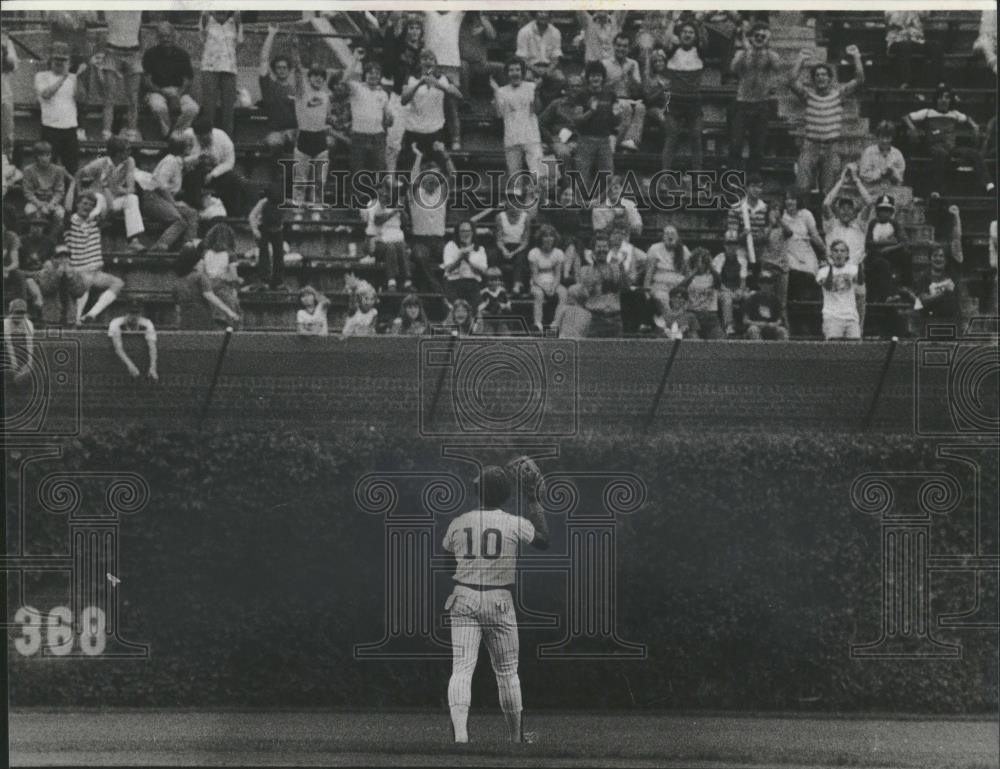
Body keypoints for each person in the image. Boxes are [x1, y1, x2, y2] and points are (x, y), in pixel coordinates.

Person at [443, 460, 549, 745]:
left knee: (462, 668)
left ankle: (461, 739)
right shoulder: (514, 523)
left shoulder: (459, 522)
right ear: (506, 494)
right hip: (499, 599)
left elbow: (446, 562)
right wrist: (533, 500)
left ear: (479, 492)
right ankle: (516, 739)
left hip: (464, 596)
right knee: (507, 672)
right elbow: (543, 541)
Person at [789, 44, 864, 195]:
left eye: (824, 75)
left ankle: (826, 219)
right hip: (811, 146)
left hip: (831, 147)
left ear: (830, 78)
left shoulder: (839, 94)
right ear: (813, 79)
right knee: (802, 187)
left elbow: (860, 80)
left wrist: (856, 57)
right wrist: (801, 59)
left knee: (829, 190)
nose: (820, 77)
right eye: (817, 75)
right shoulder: (807, 95)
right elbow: (791, 81)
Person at [903, 86, 994, 196]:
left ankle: (989, 185)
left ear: (950, 100)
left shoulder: (954, 114)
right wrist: (912, 128)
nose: (943, 100)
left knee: (974, 154)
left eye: (947, 97)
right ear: (936, 99)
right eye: (941, 97)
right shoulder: (927, 112)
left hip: (952, 148)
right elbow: (906, 117)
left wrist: (974, 126)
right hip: (934, 147)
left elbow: (967, 118)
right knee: (941, 154)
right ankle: (937, 190)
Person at [823, 164, 873, 333]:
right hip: (836, 276)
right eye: (842, 208)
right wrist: (841, 181)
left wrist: (856, 180)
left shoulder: (860, 226)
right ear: (838, 210)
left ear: (854, 211)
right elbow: (826, 203)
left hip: (856, 275)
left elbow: (869, 202)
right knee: (833, 319)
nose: (845, 211)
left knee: (858, 321)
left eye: (849, 208)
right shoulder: (831, 225)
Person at [899, 205, 964, 336]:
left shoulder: (952, 272)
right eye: (935, 256)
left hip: (952, 323)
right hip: (931, 324)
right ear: (930, 259)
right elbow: (923, 301)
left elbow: (956, 241)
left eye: (941, 256)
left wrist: (956, 218)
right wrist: (943, 292)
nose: (938, 259)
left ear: (946, 259)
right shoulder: (924, 277)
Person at [76, 135, 147, 252]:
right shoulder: (100, 163)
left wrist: (121, 190)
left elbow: (131, 188)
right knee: (98, 199)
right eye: (126, 150)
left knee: (132, 198)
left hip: (116, 198)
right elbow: (79, 175)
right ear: (117, 153)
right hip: (100, 198)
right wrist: (79, 194)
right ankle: (85, 237)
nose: (130, 152)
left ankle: (134, 241)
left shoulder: (130, 161)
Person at [398, 49, 463, 175]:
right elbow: (403, 100)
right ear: (419, 62)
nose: (428, 61)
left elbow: (459, 96)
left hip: (435, 133)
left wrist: (439, 85)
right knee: (412, 172)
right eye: (424, 59)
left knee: (444, 171)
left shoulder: (444, 79)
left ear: (435, 63)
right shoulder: (411, 78)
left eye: (431, 59)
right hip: (414, 132)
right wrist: (419, 84)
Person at [65, 192, 125, 326]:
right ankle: (77, 318)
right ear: (78, 204)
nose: (87, 207)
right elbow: (68, 207)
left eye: (91, 205)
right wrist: (74, 183)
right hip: (78, 270)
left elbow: (111, 210)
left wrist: (105, 188)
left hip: (95, 272)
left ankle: (91, 314)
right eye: (84, 203)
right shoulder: (69, 222)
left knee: (118, 283)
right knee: (85, 281)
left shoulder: (95, 222)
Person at [728, 22, 780, 174]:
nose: (759, 39)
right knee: (735, 144)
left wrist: (766, 47)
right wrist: (746, 51)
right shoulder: (742, 54)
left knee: (757, 146)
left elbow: (777, 68)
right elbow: (733, 69)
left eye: (763, 36)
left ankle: (753, 179)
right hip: (742, 103)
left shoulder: (771, 55)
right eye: (756, 36)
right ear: (751, 37)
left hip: (761, 105)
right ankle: (733, 178)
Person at [660, 21, 706, 173]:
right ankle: (665, 176)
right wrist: (672, 20)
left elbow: (704, 38)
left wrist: (700, 20)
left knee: (696, 137)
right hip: (672, 99)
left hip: (694, 100)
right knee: (671, 137)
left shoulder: (700, 51)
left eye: (690, 32)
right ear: (679, 35)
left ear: (695, 36)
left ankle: (697, 176)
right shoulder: (672, 50)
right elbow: (666, 41)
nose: (687, 34)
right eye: (684, 32)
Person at [142, 132, 200, 253]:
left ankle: (188, 248)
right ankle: (159, 247)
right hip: (152, 198)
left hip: (162, 199)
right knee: (179, 221)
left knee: (192, 213)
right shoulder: (171, 161)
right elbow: (160, 185)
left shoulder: (178, 163)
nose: (191, 147)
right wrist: (174, 203)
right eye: (188, 145)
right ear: (180, 147)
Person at [408, 141, 453, 295]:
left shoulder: (442, 192)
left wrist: (445, 155)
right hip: (420, 241)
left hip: (440, 241)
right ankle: (436, 289)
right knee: (420, 256)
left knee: (454, 256)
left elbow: (453, 175)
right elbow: (413, 180)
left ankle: (448, 289)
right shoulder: (415, 194)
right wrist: (418, 157)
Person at [142, 22, 199, 139]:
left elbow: (188, 80)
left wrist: (177, 94)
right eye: (162, 36)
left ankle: (175, 134)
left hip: (178, 91)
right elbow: (147, 81)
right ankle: (168, 134)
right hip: (157, 91)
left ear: (173, 37)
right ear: (157, 38)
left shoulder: (183, 55)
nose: (165, 39)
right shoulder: (150, 54)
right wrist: (164, 93)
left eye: (168, 36)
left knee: (193, 108)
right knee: (159, 107)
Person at [491, 59, 543, 185]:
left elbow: (537, 109)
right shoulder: (501, 91)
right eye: (511, 70)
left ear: (523, 72)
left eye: (517, 70)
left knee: (538, 177)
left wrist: (536, 92)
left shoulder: (531, 87)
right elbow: (498, 114)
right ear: (507, 73)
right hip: (512, 139)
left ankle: (538, 201)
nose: (514, 73)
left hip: (531, 138)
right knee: (515, 183)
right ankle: (517, 201)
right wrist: (495, 92)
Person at [347, 60, 393, 205]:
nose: (373, 76)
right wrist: (354, 58)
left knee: (380, 169)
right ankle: (356, 205)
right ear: (365, 75)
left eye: (376, 73)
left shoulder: (383, 94)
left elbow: (388, 119)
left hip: (377, 137)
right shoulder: (357, 88)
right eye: (370, 73)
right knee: (357, 171)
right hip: (359, 136)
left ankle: (380, 204)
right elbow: (345, 79)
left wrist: (390, 118)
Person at [34, 42, 84, 173]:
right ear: (51, 60)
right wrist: (64, 77)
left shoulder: (74, 78)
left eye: (63, 59)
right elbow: (46, 94)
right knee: (47, 168)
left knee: (72, 169)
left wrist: (78, 77)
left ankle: (71, 193)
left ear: (69, 62)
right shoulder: (41, 76)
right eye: (57, 58)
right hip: (50, 129)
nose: (59, 62)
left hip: (70, 129)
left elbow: (81, 98)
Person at [94, 10, 143, 140]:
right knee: (109, 96)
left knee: (133, 97)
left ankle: (132, 133)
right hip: (112, 49)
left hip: (133, 51)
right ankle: (106, 134)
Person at [571, 62, 618, 192]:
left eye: (598, 75)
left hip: (604, 140)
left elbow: (616, 121)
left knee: (608, 176)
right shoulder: (581, 95)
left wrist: (617, 115)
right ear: (588, 78)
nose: (595, 79)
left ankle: (601, 206)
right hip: (585, 140)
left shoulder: (610, 95)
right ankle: (580, 209)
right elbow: (577, 120)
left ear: (603, 77)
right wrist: (591, 111)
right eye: (592, 76)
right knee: (581, 179)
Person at [182, 118, 245, 216]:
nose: (203, 139)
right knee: (192, 178)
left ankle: (233, 215)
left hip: (216, 172)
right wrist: (197, 158)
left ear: (211, 132)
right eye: (200, 137)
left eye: (206, 137)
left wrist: (213, 174)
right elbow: (181, 160)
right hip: (195, 171)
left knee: (234, 180)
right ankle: (197, 211)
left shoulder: (223, 138)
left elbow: (229, 162)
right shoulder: (187, 136)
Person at [422, 10, 465, 150]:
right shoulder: (427, 10)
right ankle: (430, 139)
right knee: (428, 102)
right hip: (430, 64)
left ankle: (455, 139)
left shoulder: (457, 12)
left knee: (451, 105)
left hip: (452, 67)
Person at [173, 242, 240, 330]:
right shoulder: (200, 277)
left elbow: (177, 308)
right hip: (202, 318)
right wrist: (229, 312)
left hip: (185, 321)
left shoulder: (178, 282)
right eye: (201, 263)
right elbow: (210, 296)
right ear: (195, 264)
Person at [199, 11, 243, 138]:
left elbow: (240, 43)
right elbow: (201, 39)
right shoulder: (206, 16)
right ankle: (207, 141)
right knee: (209, 109)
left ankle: (227, 142)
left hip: (229, 68)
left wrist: (229, 56)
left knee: (228, 110)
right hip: (209, 67)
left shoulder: (236, 18)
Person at [258, 25, 299, 156]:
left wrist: (294, 47)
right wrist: (271, 34)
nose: (281, 70)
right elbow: (264, 59)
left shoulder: (295, 89)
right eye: (278, 67)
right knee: (274, 143)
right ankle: (278, 174)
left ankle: (299, 175)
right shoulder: (269, 86)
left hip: (294, 131)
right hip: (276, 132)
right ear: (274, 70)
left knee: (307, 142)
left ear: (288, 70)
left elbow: (298, 66)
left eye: (284, 67)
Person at [363, 181, 411, 292]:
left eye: (388, 191)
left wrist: (402, 211)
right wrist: (394, 212)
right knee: (391, 247)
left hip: (389, 238)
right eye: (382, 191)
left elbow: (405, 223)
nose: (385, 194)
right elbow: (378, 221)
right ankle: (391, 281)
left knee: (400, 247)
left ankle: (407, 280)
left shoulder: (395, 204)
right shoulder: (373, 204)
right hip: (373, 241)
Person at [781, 189, 825, 311]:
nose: (789, 202)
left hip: (805, 249)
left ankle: (810, 306)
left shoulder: (806, 214)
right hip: (788, 249)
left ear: (798, 201)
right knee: (794, 271)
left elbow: (814, 235)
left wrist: (825, 252)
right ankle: (798, 303)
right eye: (787, 199)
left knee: (811, 273)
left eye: (792, 198)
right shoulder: (781, 216)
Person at [602, 33, 645, 153]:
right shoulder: (605, 64)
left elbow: (638, 91)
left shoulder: (633, 64)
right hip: (611, 100)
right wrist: (619, 77)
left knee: (641, 107)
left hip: (628, 98)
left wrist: (630, 77)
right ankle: (615, 145)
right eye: (619, 45)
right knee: (626, 108)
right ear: (613, 46)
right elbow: (601, 88)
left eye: (625, 46)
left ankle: (630, 142)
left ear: (628, 48)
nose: (621, 49)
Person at [865, 193, 912, 299]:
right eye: (882, 210)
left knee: (906, 254)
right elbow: (869, 242)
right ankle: (890, 293)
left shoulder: (894, 224)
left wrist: (891, 247)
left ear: (891, 212)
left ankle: (907, 284)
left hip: (890, 253)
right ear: (877, 211)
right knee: (882, 263)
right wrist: (887, 242)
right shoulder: (872, 224)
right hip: (875, 254)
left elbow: (904, 241)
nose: (884, 213)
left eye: (887, 210)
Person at [885, 11, 942, 89]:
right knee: (904, 46)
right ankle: (905, 81)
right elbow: (890, 19)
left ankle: (939, 82)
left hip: (916, 39)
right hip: (897, 39)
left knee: (935, 46)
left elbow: (925, 15)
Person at [817, 239, 861, 340]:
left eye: (842, 251)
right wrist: (831, 267)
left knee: (856, 351)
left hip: (851, 316)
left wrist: (860, 263)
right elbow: (828, 287)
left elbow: (860, 282)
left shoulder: (853, 269)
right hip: (832, 317)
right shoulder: (823, 271)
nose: (839, 253)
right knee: (834, 351)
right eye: (836, 251)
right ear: (831, 254)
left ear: (847, 254)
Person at [644, 224, 691, 314]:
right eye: (667, 234)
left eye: (673, 234)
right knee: (662, 298)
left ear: (677, 237)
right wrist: (646, 291)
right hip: (660, 287)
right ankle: (672, 322)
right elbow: (649, 273)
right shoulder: (655, 249)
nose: (670, 236)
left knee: (680, 301)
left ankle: (676, 324)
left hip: (678, 288)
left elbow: (688, 274)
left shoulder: (684, 250)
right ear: (663, 237)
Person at [527, 224, 566, 331]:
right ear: (541, 238)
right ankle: (538, 324)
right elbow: (534, 276)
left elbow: (558, 275)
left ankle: (556, 323)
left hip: (553, 282)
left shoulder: (558, 253)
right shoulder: (534, 253)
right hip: (538, 282)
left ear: (554, 238)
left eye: (551, 236)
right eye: (545, 236)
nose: (548, 239)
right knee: (538, 294)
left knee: (563, 293)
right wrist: (544, 288)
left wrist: (553, 287)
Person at [22, 141, 67, 236]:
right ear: (36, 156)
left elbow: (59, 191)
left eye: (48, 155)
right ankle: (35, 236)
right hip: (35, 201)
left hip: (52, 201)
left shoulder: (58, 170)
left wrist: (52, 204)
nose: (45, 158)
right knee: (29, 210)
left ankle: (52, 238)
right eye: (41, 155)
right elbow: (27, 192)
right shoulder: (28, 170)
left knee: (60, 213)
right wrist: (39, 204)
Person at [108, 298, 158, 382]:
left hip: (142, 362)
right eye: (131, 313)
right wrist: (130, 365)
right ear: (126, 313)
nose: (134, 316)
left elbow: (152, 347)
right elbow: (118, 348)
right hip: (118, 365)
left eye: (136, 313)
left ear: (140, 313)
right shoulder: (115, 323)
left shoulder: (147, 323)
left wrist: (153, 367)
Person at [248, 183, 287, 290]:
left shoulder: (283, 203)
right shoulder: (263, 203)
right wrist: (255, 230)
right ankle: (264, 280)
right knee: (264, 255)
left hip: (278, 230)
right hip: (264, 229)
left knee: (279, 254)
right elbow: (252, 216)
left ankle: (278, 281)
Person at [713, 229, 751, 336]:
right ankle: (728, 325)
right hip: (722, 289)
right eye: (729, 244)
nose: (732, 247)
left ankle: (747, 323)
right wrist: (728, 291)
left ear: (738, 245)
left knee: (748, 296)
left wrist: (740, 290)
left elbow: (743, 280)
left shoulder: (742, 259)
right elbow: (717, 281)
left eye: (734, 244)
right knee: (727, 298)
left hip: (736, 289)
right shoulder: (719, 258)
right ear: (725, 245)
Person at [680, 247, 724, 339]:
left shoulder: (712, 276)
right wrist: (695, 271)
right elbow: (681, 286)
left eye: (703, 262)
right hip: (693, 314)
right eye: (697, 261)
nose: (700, 265)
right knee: (694, 342)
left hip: (710, 315)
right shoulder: (688, 277)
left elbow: (719, 282)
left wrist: (709, 264)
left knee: (720, 342)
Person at [444, 220, 489, 307]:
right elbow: (448, 269)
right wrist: (460, 259)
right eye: (462, 231)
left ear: (472, 232)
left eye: (468, 231)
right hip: (454, 282)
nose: (465, 234)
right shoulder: (451, 246)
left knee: (475, 306)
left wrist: (469, 261)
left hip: (473, 283)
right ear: (458, 233)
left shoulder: (479, 249)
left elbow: (484, 271)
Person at [492, 197, 532, 296]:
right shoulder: (500, 217)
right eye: (511, 203)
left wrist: (514, 252)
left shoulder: (526, 217)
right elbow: (499, 239)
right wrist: (504, 250)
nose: (514, 206)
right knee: (494, 255)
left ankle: (517, 286)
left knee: (520, 258)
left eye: (517, 204)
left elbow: (525, 241)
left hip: (520, 247)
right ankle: (497, 285)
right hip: (504, 246)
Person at [742, 268, 789, 340]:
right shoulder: (752, 298)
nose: (765, 285)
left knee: (782, 331)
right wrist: (760, 324)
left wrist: (773, 324)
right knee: (753, 329)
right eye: (762, 282)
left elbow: (780, 320)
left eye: (768, 282)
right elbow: (745, 320)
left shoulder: (775, 300)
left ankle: (782, 351)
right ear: (759, 284)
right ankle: (759, 351)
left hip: (771, 327)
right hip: (756, 326)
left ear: (772, 284)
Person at [859, 121, 906, 188]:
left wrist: (892, 172)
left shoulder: (897, 154)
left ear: (892, 138)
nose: (884, 140)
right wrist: (880, 173)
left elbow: (900, 178)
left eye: (888, 137)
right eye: (882, 137)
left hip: (892, 190)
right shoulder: (869, 152)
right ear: (877, 137)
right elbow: (863, 174)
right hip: (872, 190)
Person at [4, 298, 34, 384]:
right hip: (8, 353)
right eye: (17, 312)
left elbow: (29, 344)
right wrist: (13, 362)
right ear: (11, 312)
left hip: (22, 353)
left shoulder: (28, 324)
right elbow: (8, 344)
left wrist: (29, 362)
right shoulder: (5, 323)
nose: (19, 315)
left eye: (22, 313)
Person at [477, 266, 514, 334]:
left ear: (500, 281)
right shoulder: (484, 293)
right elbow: (479, 309)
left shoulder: (502, 292)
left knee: (505, 333)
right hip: (488, 320)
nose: (493, 283)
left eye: (496, 280)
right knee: (488, 334)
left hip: (501, 320)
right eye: (491, 280)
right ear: (487, 281)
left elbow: (509, 306)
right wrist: (486, 306)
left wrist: (504, 306)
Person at [1, 32, 17, 157]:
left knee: (7, 135)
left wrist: (5, 50)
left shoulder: (5, 40)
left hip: (4, 94)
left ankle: (7, 159)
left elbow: (12, 66)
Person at [973, 10, 997, 74]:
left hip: (993, 41)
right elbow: (985, 32)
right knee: (985, 43)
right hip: (985, 41)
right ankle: (994, 64)